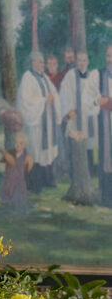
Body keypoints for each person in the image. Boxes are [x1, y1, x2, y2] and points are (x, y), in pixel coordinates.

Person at [16, 52, 60, 192]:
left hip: (48, 119)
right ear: (33, 63)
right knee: (36, 151)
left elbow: (54, 94)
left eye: (43, 62)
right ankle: (34, 185)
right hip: (36, 122)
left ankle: (48, 180)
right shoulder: (27, 78)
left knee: (47, 151)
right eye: (40, 62)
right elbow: (25, 100)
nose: (42, 65)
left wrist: (54, 98)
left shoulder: (45, 77)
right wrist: (43, 100)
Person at [60, 51, 98, 203]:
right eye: (80, 60)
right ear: (76, 61)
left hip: (88, 115)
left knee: (88, 144)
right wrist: (69, 110)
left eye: (84, 60)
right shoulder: (70, 75)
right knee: (75, 142)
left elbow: (96, 93)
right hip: (75, 115)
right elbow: (64, 94)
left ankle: (89, 172)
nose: (82, 63)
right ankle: (74, 174)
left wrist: (93, 105)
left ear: (88, 61)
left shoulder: (92, 76)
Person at [2, 132, 33, 213]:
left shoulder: (26, 156)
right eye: (16, 142)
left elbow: (29, 167)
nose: (18, 145)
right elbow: (6, 162)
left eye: (21, 143)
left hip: (19, 179)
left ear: (25, 145)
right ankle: (10, 206)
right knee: (9, 191)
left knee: (19, 194)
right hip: (11, 178)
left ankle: (20, 207)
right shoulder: (11, 153)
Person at [97, 44, 112, 207]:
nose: (111, 60)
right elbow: (93, 96)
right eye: (108, 56)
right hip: (105, 125)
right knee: (106, 161)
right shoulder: (99, 75)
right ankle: (107, 198)